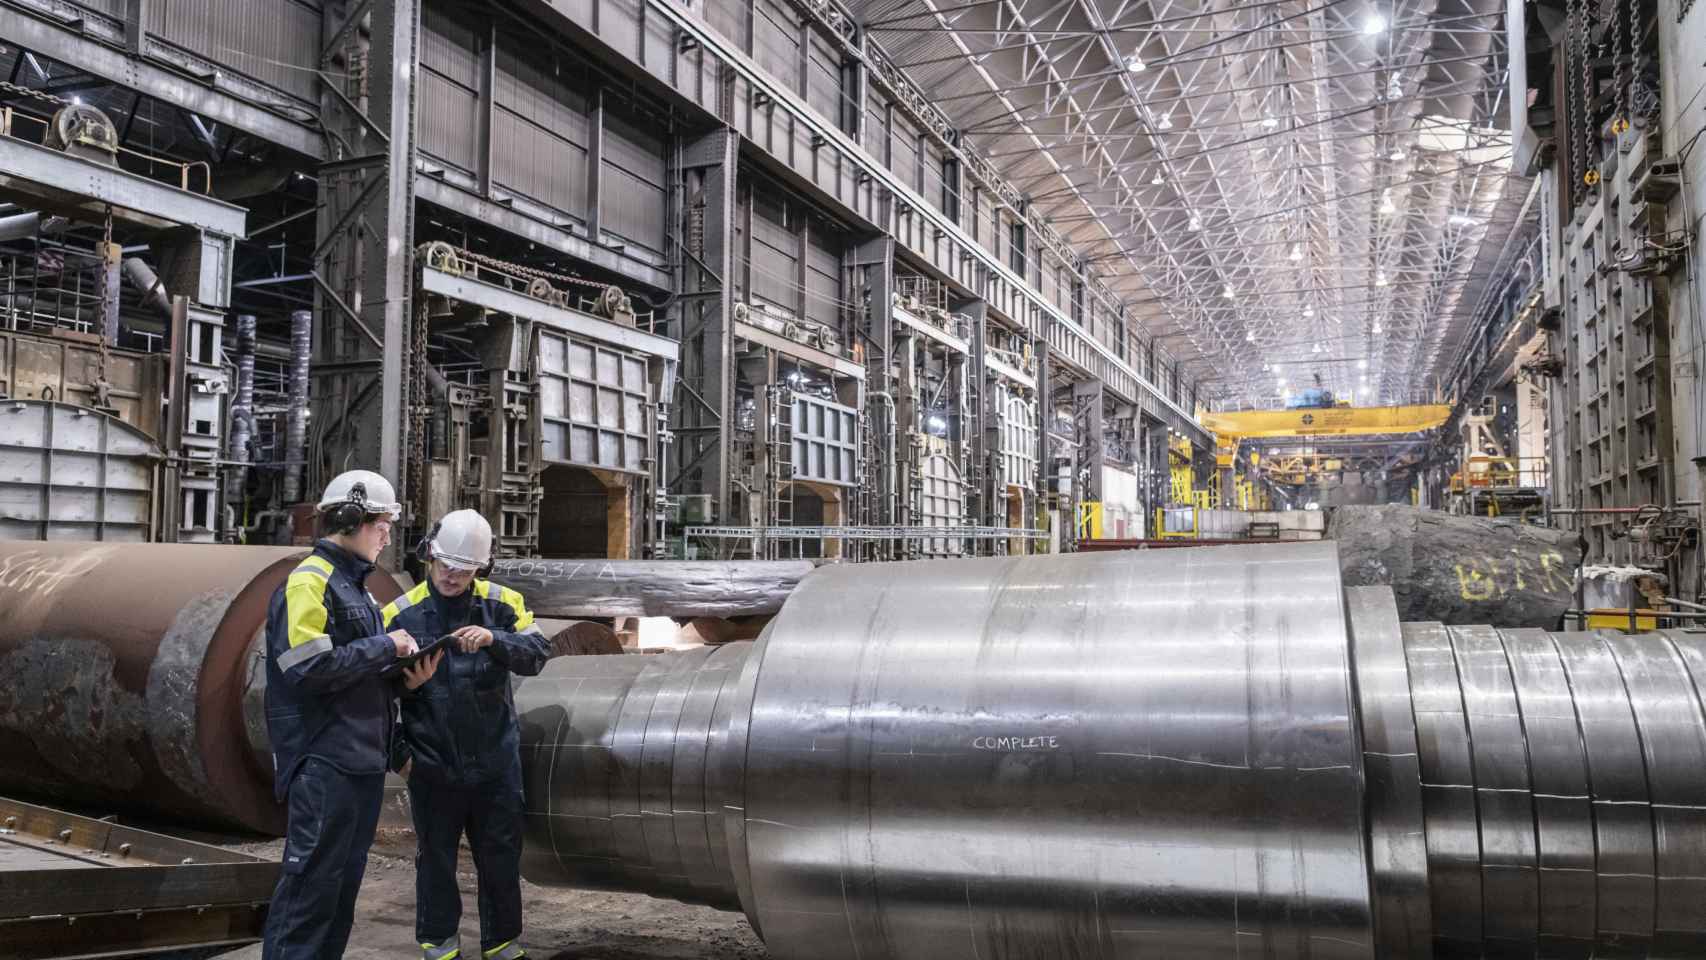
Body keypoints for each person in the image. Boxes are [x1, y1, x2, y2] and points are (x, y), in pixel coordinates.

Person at [262, 470, 445, 960]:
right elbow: (307, 667)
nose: (387, 534)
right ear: (349, 519)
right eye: (381, 524)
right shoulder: (309, 582)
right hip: (324, 762)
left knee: (339, 894)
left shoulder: (360, 591)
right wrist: (385, 644)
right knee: (310, 891)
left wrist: (403, 677)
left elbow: (354, 671)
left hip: (359, 763)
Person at [383, 509, 551, 960]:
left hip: (495, 762)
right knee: (436, 860)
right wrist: (400, 756)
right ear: (429, 557)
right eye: (446, 566)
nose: (453, 576)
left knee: (500, 857)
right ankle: (439, 945)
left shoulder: (502, 604)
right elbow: (370, 696)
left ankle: (501, 944)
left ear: (481, 567)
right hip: (432, 764)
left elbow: (537, 653)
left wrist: (495, 640)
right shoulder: (399, 615)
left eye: (464, 569)